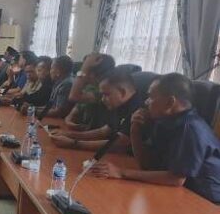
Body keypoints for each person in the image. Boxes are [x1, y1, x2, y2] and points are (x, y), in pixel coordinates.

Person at [92, 74, 220, 203]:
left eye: (151, 97)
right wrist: (135, 131)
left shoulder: (189, 128)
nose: (146, 102)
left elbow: (176, 179)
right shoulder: (164, 122)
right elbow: (146, 165)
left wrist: (121, 172)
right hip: (180, 192)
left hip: (207, 201)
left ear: (170, 102)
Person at [50, 69, 140, 152]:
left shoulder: (137, 108)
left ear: (122, 92)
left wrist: (74, 143)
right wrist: (69, 134)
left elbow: (120, 143)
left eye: (106, 94)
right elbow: (104, 131)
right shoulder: (120, 104)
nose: (102, 99)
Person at [64, 53, 116, 131]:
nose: (84, 73)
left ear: (93, 73)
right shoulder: (90, 87)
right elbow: (74, 111)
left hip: (94, 135)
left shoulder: (104, 92)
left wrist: (84, 68)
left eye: (87, 70)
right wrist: (68, 121)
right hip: (81, 132)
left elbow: (73, 96)